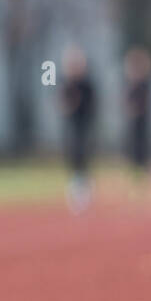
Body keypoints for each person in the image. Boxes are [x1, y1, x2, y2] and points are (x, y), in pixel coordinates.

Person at [59, 44, 96, 213]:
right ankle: (75, 193)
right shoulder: (66, 83)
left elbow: (92, 105)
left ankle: (84, 194)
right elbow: (62, 104)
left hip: (84, 127)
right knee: (72, 159)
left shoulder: (87, 84)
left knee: (83, 159)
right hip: (71, 128)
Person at [124, 46, 151, 195]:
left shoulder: (144, 84)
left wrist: (137, 109)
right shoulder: (130, 84)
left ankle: (144, 181)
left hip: (142, 124)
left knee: (142, 152)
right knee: (133, 152)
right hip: (133, 125)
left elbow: (145, 103)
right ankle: (135, 181)